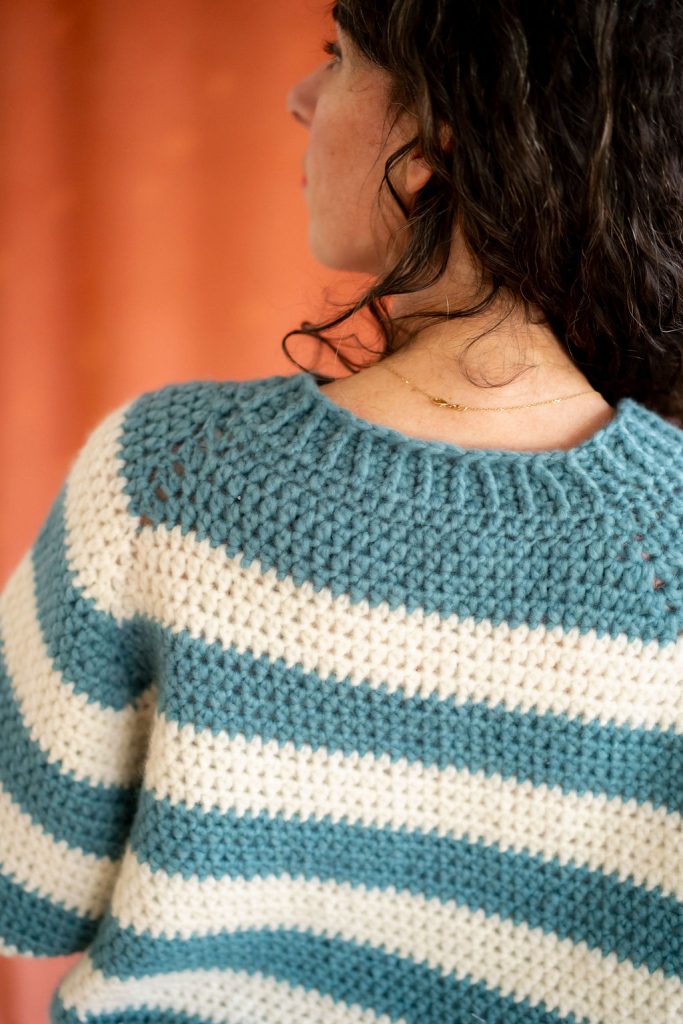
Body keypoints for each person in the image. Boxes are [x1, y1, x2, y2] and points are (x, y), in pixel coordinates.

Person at [1, 1, 681, 1022]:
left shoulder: (168, 475)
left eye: (339, 55)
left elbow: (26, 884)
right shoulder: (666, 546)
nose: (299, 96)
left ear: (439, 131)